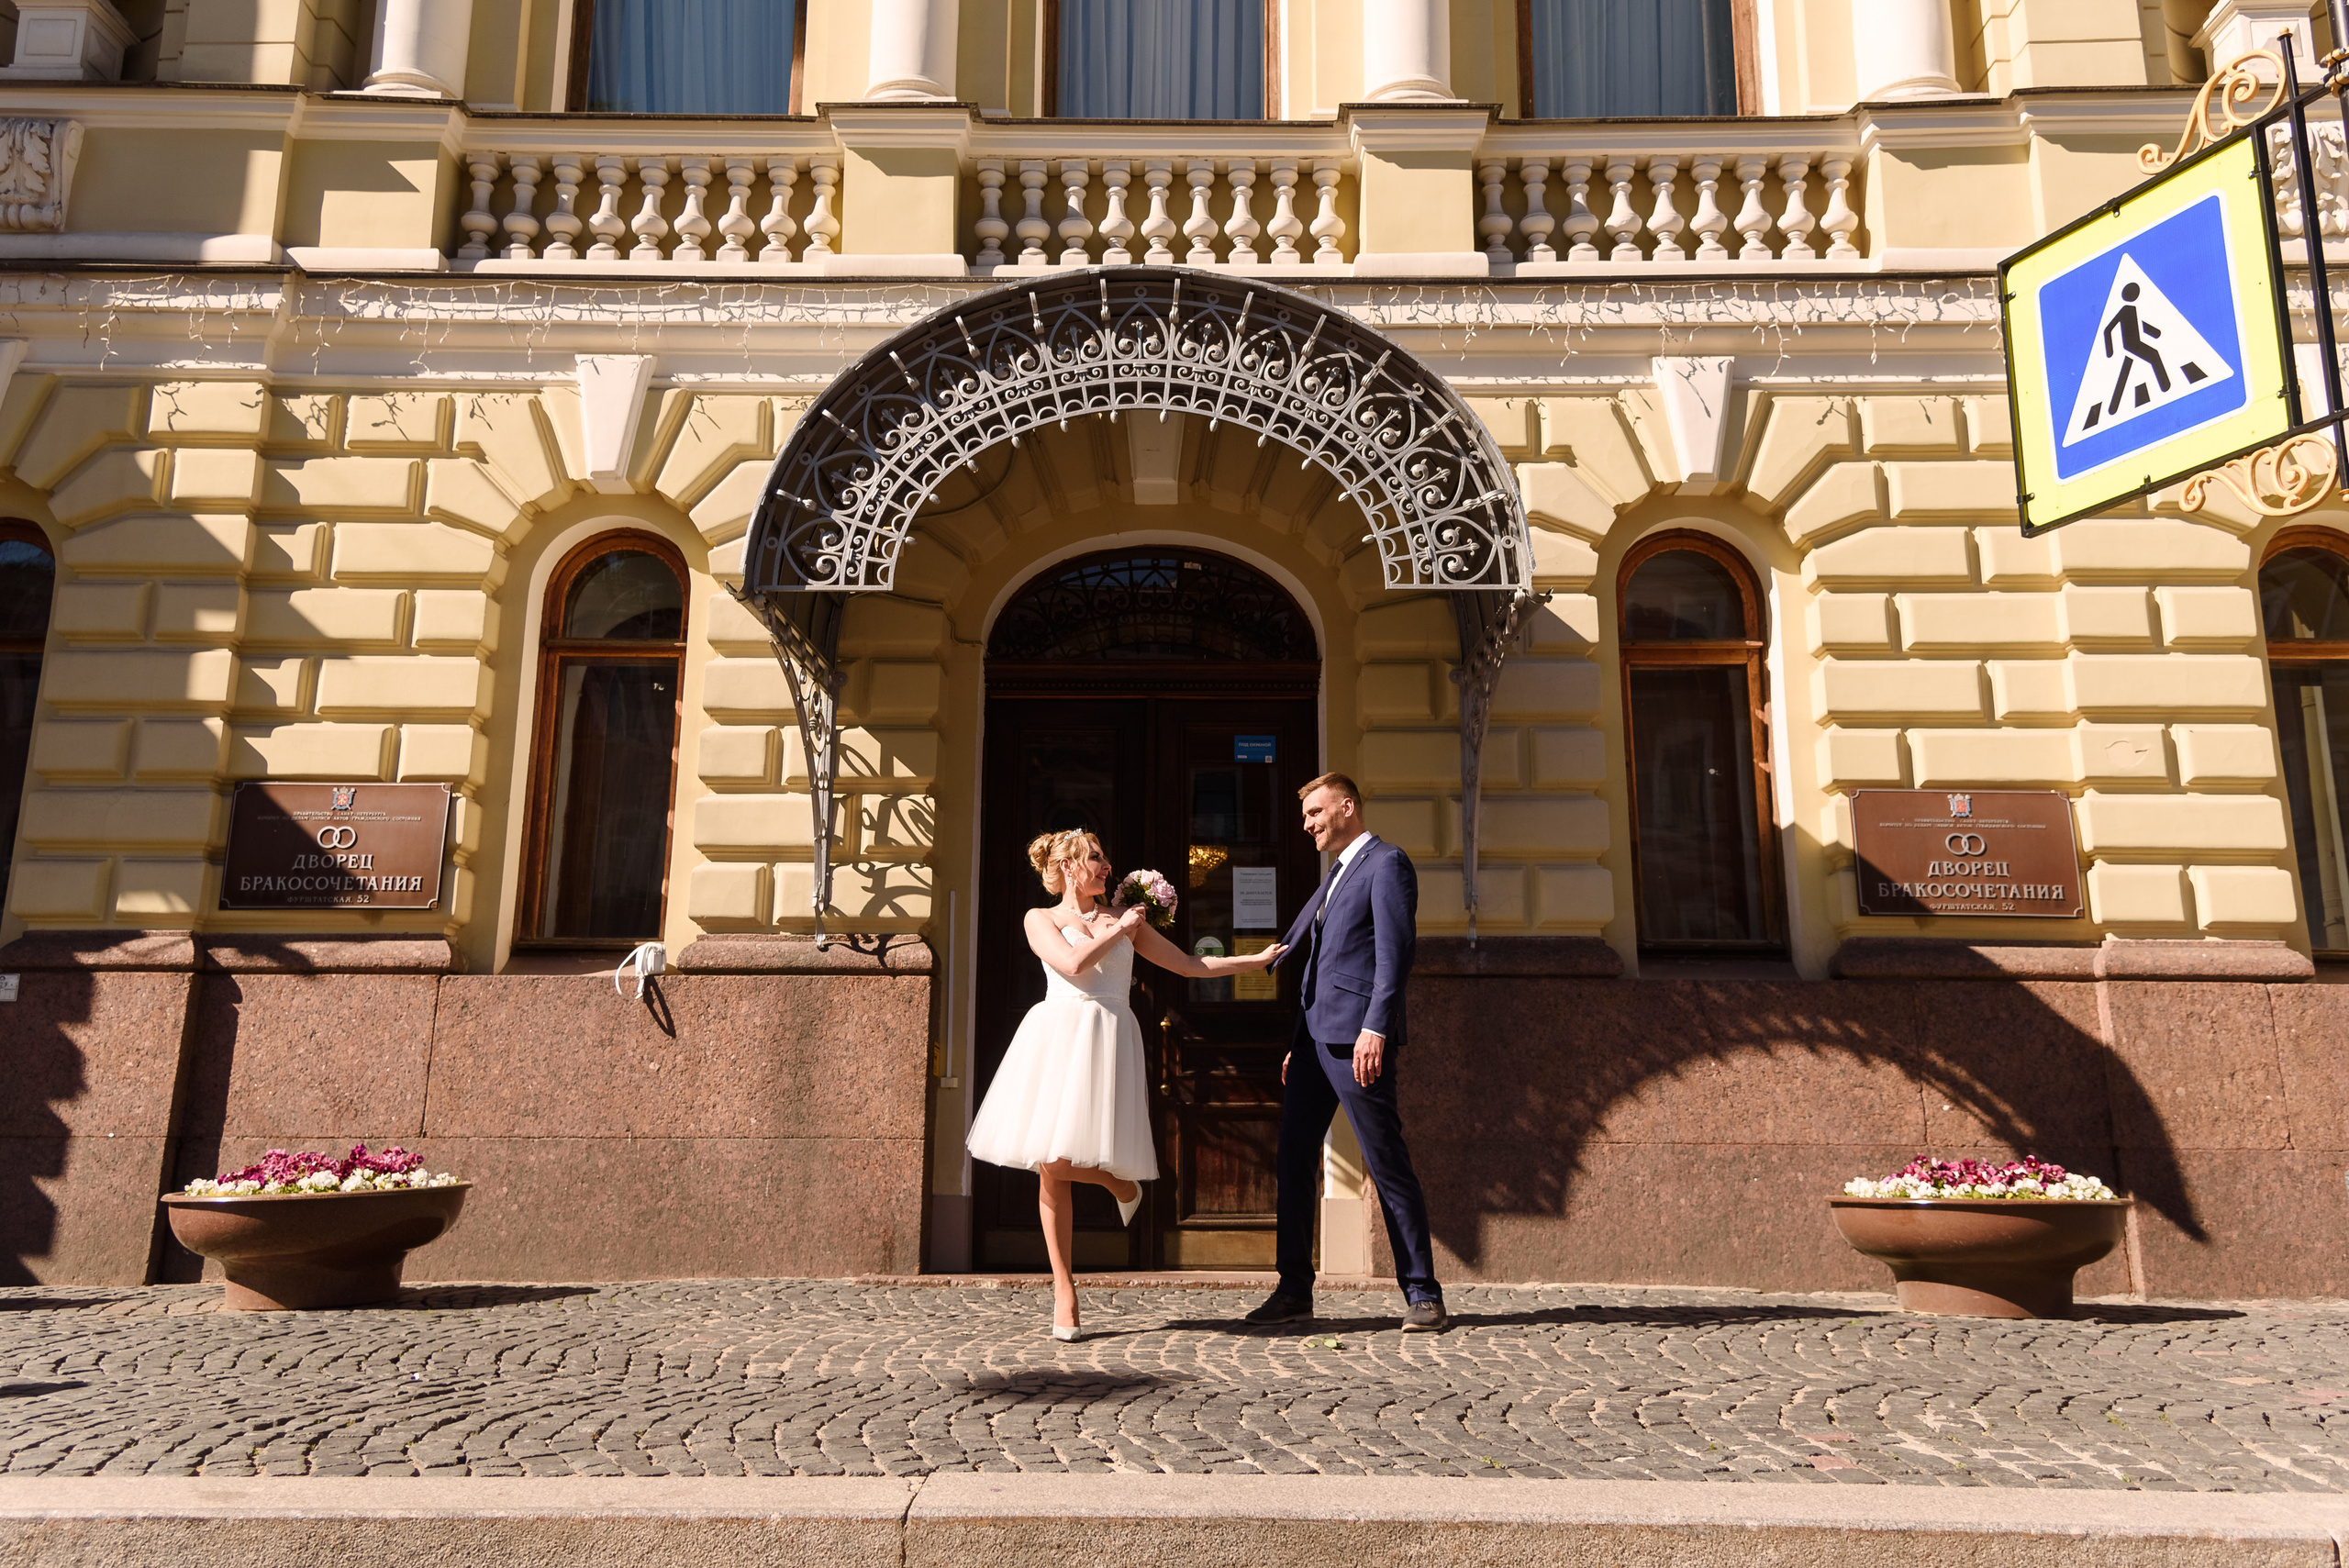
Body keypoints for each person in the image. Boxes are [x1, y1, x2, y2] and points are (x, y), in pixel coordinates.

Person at [967, 828, 1286, 1342]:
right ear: (1069, 867)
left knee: (1058, 1162)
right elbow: (1071, 964)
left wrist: (1251, 961)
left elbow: (1187, 963)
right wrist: (1120, 929)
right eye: (1095, 858)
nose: (1106, 866)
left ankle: (1117, 1191)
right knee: (1050, 1165)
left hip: (1107, 1037)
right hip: (1055, 1037)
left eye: (1104, 857)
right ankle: (1066, 1286)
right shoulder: (1041, 918)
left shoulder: (1125, 922)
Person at [1245, 773, 1445, 1332]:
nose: (1307, 823)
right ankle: (1293, 1291)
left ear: (1347, 807)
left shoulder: (1387, 864)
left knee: (1386, 1160)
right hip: (1314, 1042)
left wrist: (1376, 1029)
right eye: (1306, 814)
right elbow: (1319, 965)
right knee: (1292, 1159)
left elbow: (1395, 955)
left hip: (1358, 1040)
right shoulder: (1334, 875)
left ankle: (1423, 1293)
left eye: (1315, 812)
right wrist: (1296, 1043)